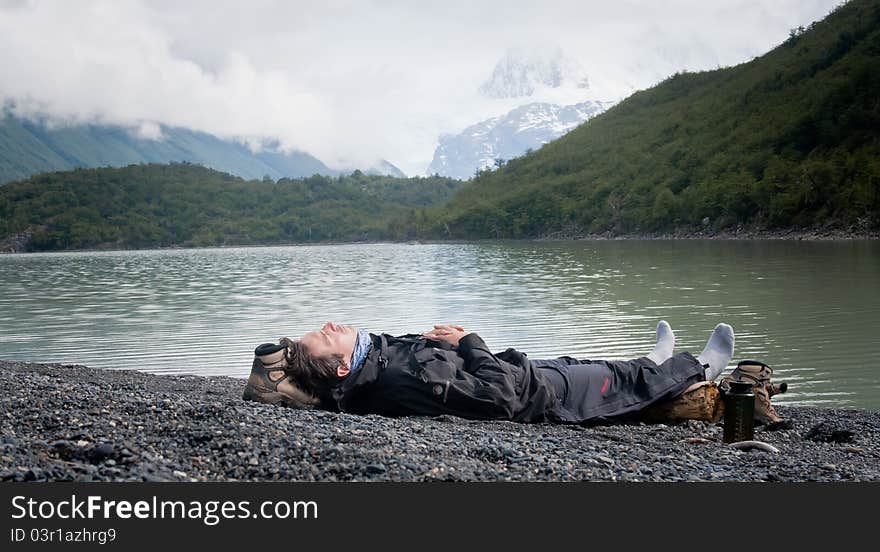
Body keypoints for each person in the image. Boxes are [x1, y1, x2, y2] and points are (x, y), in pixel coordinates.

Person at [242, 320, 735, 424]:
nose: (330, 324)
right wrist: (469, 341)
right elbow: (497, 400)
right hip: (540, 397)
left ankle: (652, 362)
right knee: (619, 385)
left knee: (597, 364)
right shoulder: (398, 378)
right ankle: (699, 371)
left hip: (525, 370)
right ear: (344, 363)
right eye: (326, 336)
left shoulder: (375, 360)